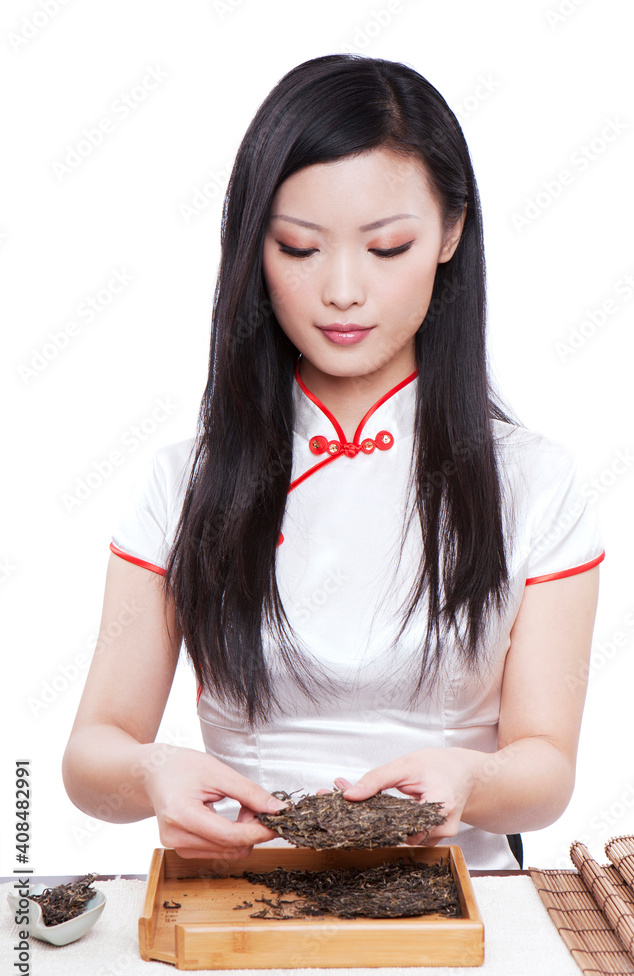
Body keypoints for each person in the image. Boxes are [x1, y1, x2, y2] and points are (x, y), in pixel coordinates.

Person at [62, 53, 604, 870]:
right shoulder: (186, 483)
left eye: (387, 248)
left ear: (450, 234)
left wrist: (467, 777)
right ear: (254, 246)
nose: (342, 290)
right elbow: (90, 757)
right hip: (238, 901)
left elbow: (544, 771)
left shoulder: (530, 481)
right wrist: (153, 773)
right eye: (298, 247)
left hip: (460, 908)